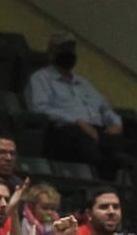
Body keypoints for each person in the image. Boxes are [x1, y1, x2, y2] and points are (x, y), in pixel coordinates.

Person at [24, 34, 123, 178]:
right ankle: (100, 182)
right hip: (65, 131)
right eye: (64, 49)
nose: (68, 54)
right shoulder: (40, 78)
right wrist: (77, 121)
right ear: (51, 52)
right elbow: (39, 108)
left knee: (124, 146)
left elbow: (104, 107)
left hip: (96, 131)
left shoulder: (83, 83)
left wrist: (116, 123)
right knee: (88, 146)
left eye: (71, 50)